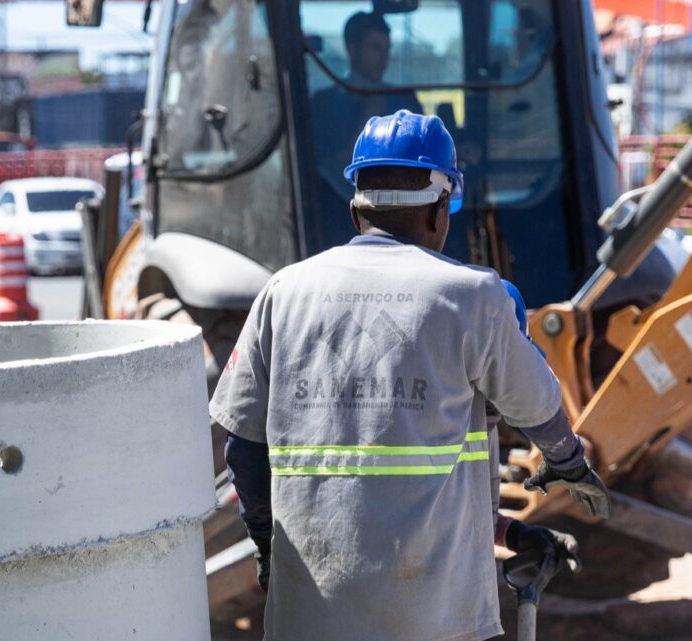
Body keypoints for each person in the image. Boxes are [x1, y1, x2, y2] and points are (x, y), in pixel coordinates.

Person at [211, 110, 609, 641]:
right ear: (440, 209)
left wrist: (267, 548)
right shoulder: (472, 297)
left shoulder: (283, 293)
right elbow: (538, 410)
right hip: (437, 620)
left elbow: (244, 450)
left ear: (356, 208)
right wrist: (569, 464)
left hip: (307, 619)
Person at [311, 12, 424, 178]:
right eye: (375, 48)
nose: (384, 58)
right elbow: (330, 170)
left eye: (387, 49)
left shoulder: (404, 98)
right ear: (352, 49)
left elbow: (424, 156)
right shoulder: (323, 104)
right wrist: (370, 116)